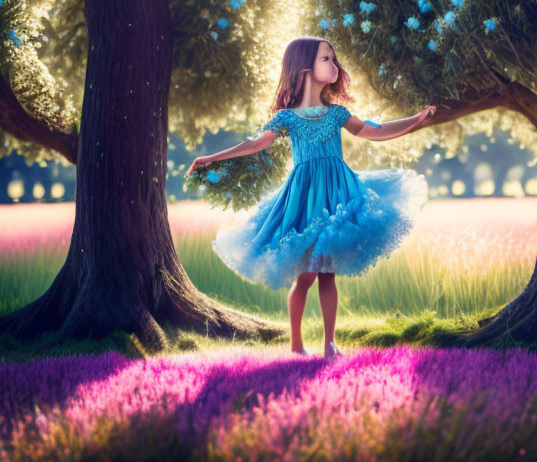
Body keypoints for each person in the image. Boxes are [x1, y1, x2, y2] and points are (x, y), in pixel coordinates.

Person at [185, 36, 434, 359]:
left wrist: (415, 120)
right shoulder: (287, 118)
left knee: (328, 273)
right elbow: (256, 144)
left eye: (333, 58)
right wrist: (212, 158)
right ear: (304, 68)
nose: (334, 65)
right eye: (326, 59)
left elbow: (376, 129)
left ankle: (330, 344)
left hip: (337, 193)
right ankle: (296, 345)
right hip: (304, 198)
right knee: (304, 276)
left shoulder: (337, 114)